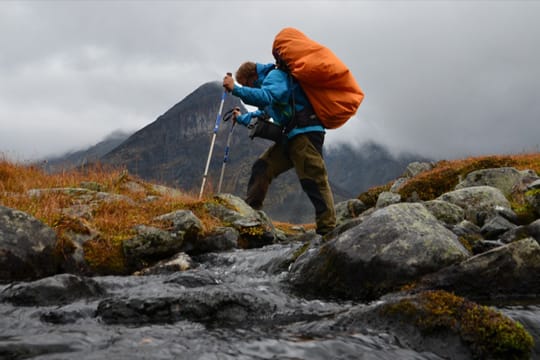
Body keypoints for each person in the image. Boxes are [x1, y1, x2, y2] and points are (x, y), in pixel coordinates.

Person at [222, 61, 336, 236]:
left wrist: (236, 89)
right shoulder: (270, 85)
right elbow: (263, 113)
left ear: (252, 77)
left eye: (247, 85)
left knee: (313, 179)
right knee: (262, 167)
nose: (248, 89)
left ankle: (328, 230)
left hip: (305, 133)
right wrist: (241, 118)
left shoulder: (275, 77)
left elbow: (265, 97)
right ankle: (252, 220)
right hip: (290, 137)